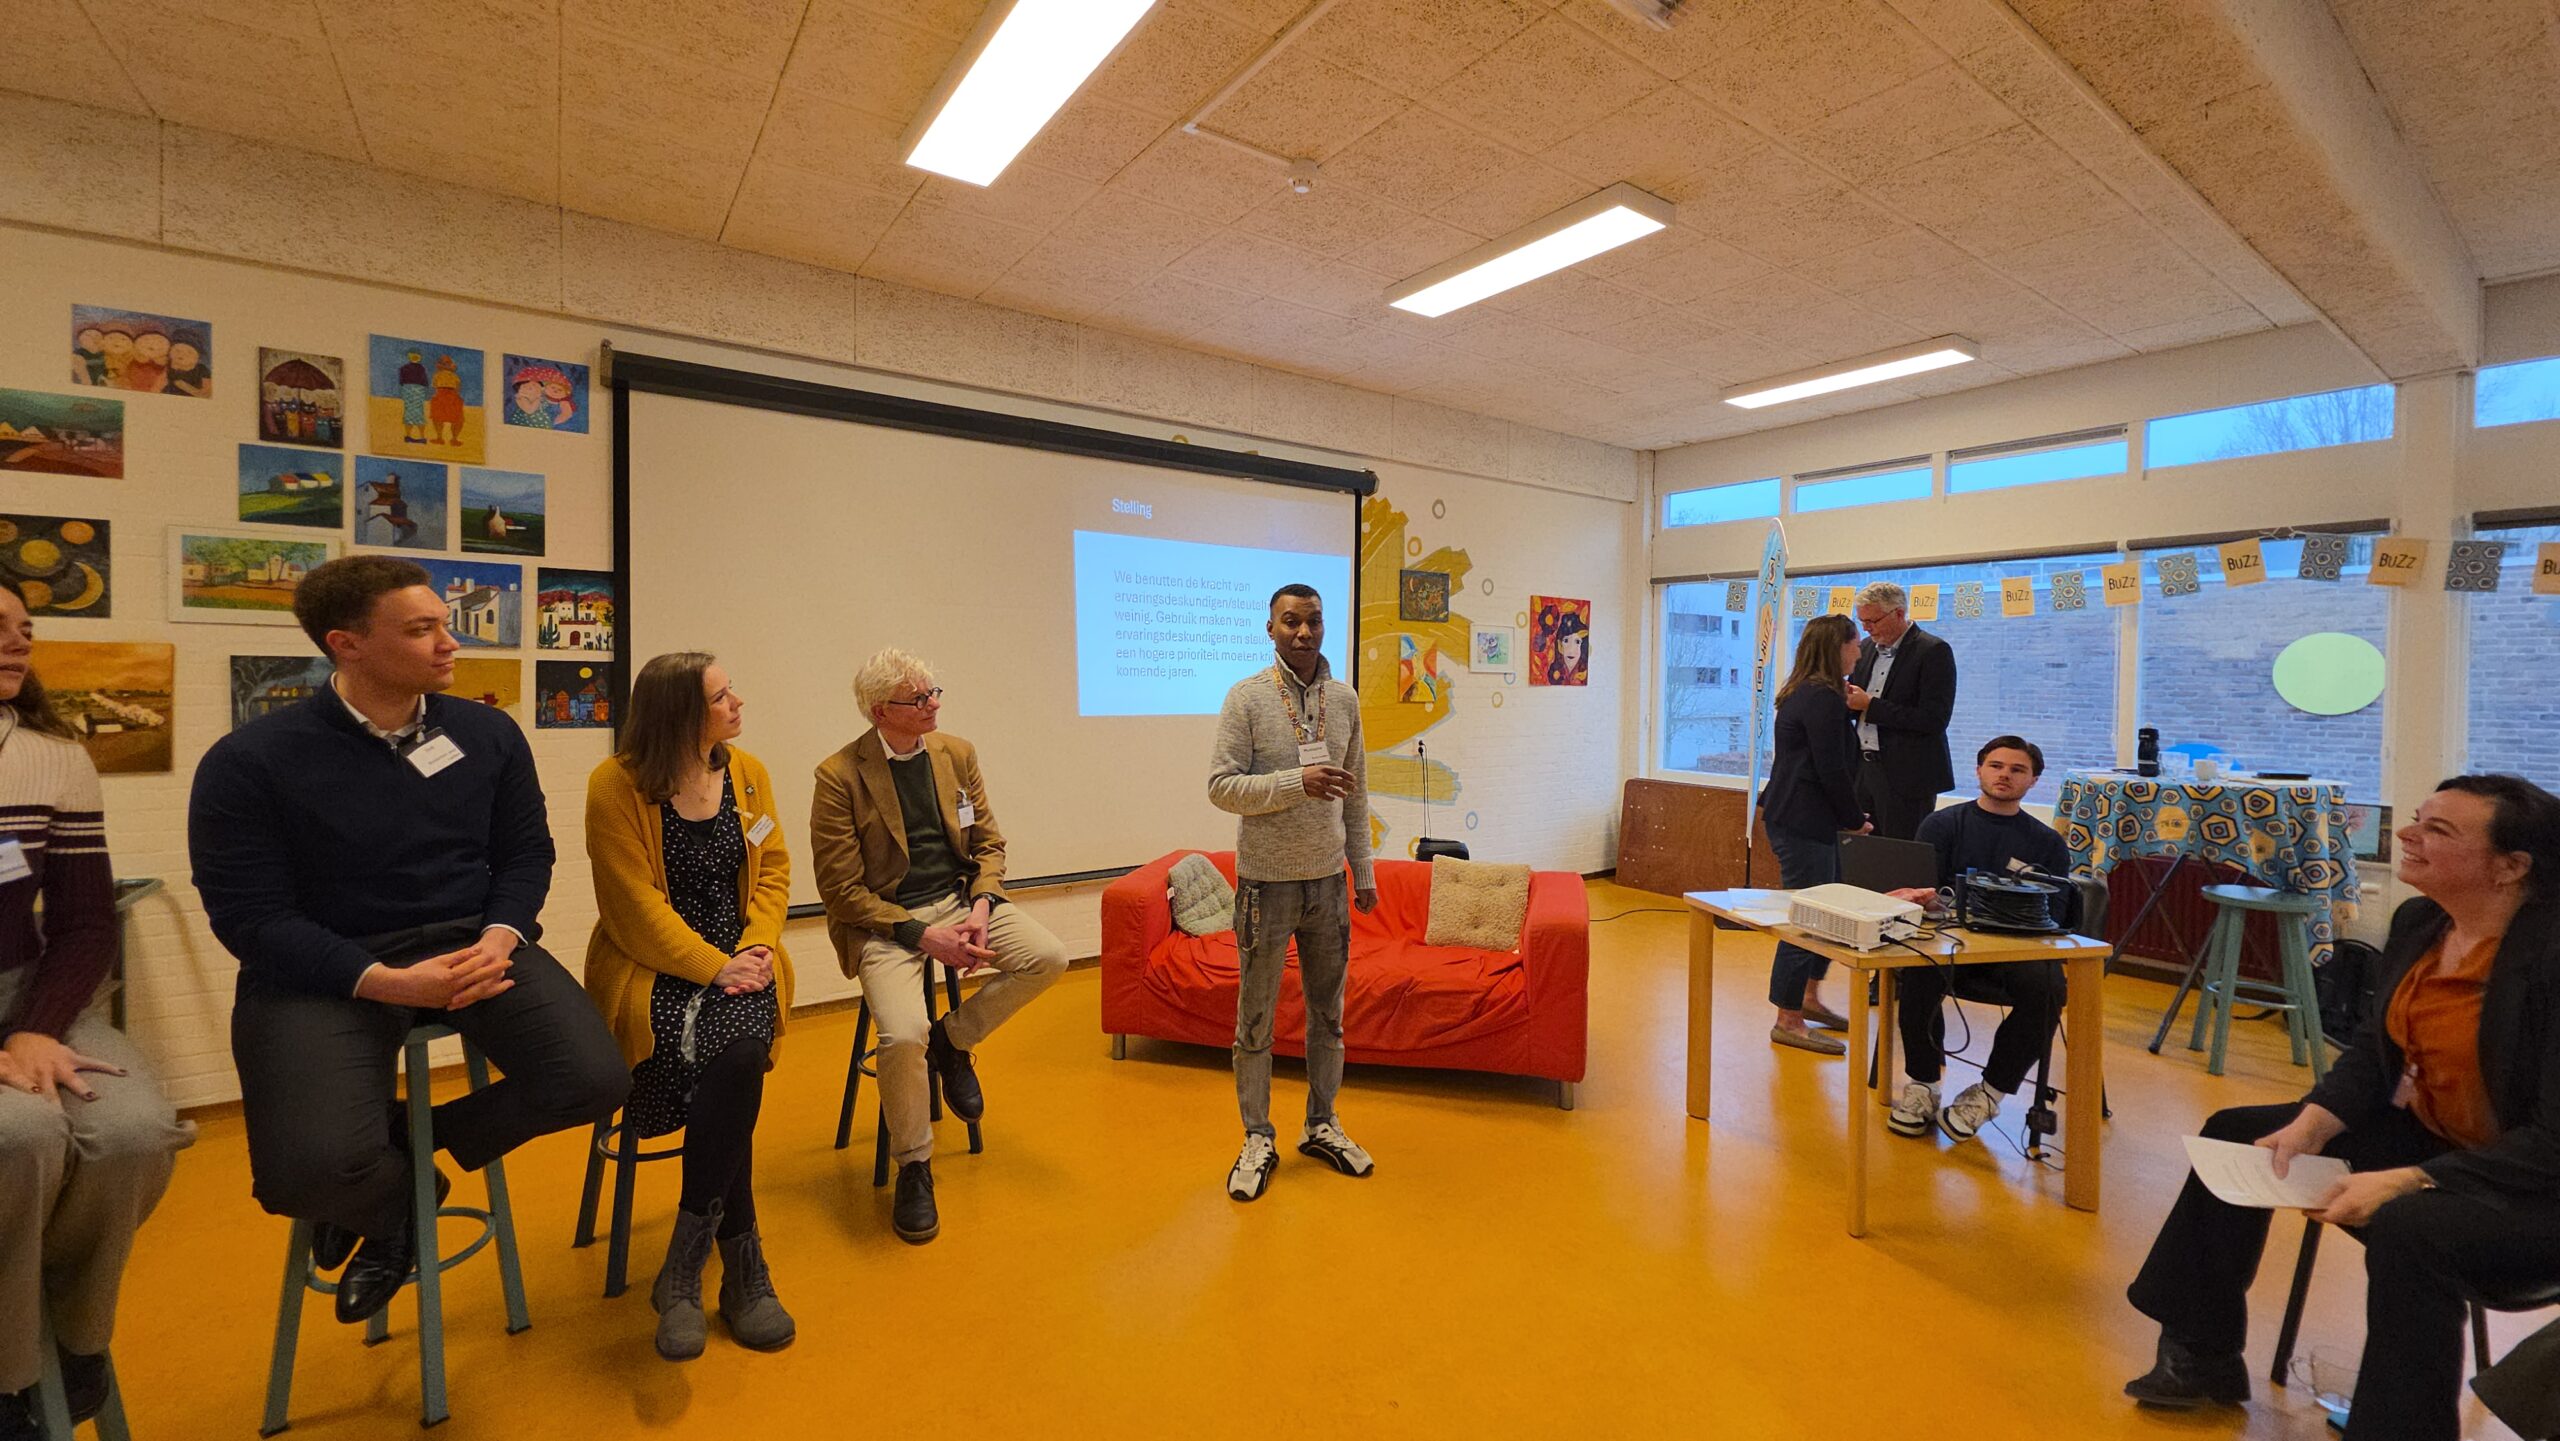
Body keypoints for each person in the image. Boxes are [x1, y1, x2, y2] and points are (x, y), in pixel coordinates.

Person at [189, 555, 626, 1327]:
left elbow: (526, 854)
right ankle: (393, 1207)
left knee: (593, 1078)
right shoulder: (250, 761)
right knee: (303, 1173)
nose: (449, 643)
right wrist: (383, 979)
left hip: (471, 944)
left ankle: (405, 1153)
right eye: (423, 629)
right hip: (327, 967)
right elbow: (252, 918)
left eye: (444, 624)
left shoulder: (487, 733)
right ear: (346, 643)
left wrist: (502, 935)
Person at [2121, 775, 2560, 1440]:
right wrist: (2313, 1120)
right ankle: (2202, 1355)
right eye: (2418, 818)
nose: (2407, 834)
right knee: (2240, 1132)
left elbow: (2552, 1142)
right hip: (2441, 1141)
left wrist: (2412, 1178)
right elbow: (2375, 1054)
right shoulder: (2421, 922)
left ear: (2511, 867)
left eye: (2438, 830)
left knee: (2412, 1227)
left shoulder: (2550, 958)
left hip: (2531, 1188)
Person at [0, 582, 191, 1441]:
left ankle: (77, 1337)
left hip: (30, 995)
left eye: (25, 628)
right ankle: (10, 1375)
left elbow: (83, 924)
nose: (17, 642)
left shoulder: (53, 757)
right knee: (21, 1135)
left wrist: (36, 1027)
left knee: (134, 1131)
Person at [808, 649, 1066, 1245]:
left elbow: (989, 844)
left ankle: (952, 1041)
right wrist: (922, 936)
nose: (933, 705)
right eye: (919, 698)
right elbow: (841, 891)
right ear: (881, 711)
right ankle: (914, 1165)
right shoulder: (839, 776)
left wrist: (981, 905)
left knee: (1048, 957)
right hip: (887, 923)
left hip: (961, 903)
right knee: (902, 1036)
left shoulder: (956, 754)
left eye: (933, 692)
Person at [583, 653, 795, 1360]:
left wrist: (756, 947)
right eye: (721, 695)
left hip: (744, 962)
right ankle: (742, 1268)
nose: (738, 701)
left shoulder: (747, 773)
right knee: (720, 1068)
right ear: (679, 713)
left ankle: (683, 1267)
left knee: (738, 1055)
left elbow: (773, 872)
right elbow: (633, 907)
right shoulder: (614, 786)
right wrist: (713, 965)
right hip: (651, 968)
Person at [1208, 583, 1378, 1202]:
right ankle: (1257, 1136)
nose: (1303, 632)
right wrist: (1294, 783)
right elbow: (1221, 787)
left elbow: (1356, 794)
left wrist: (1363, 872)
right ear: (1270, 628)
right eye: (1290, 622)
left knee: (1328, 1016)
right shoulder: (1247, 697)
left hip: (1328, 885)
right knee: (1255, 1019)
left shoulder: (1345, 699)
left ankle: (1321, 1123)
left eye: (1313, 621)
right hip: (1265, 885)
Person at [1882, 736, 2071, 1143]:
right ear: (1979, 770)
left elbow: (2054, 914)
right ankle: (1923, 1086)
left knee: (2049, 987)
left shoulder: (2048, 843)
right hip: (1948, 945)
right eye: (1996, 766)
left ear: (2034, 780)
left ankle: (1987, 1095)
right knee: (1918, 969)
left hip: (2013, 953)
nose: (2005, 775)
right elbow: (1919, 892)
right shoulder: (1941, 825)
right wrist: (1927, 901)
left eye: (2017, 769)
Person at [1758, 613, 1867, 1056]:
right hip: (1802, 818)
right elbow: (1830, 768)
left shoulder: (1808, 691)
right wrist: (1854, 818)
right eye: (1855, 643)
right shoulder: (1821, 697)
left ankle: (1807, 997)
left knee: (1828, 908)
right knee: (1807, 917)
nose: (1859, 650)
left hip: (1803, 815)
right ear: (1837, 647)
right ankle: (1788, 1018)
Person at [1846, 581, 1956, 841]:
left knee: (1899, 852)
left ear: (1898, 613)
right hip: (1862, 768)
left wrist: (1870, 706)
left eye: (1873, 621)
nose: (1866, 628)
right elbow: (1855, 704)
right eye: (1862, 621)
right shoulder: (1864, 648)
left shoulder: (1932, 650)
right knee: (1859, 849)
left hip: (1907, 775)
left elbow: (1934, 719)